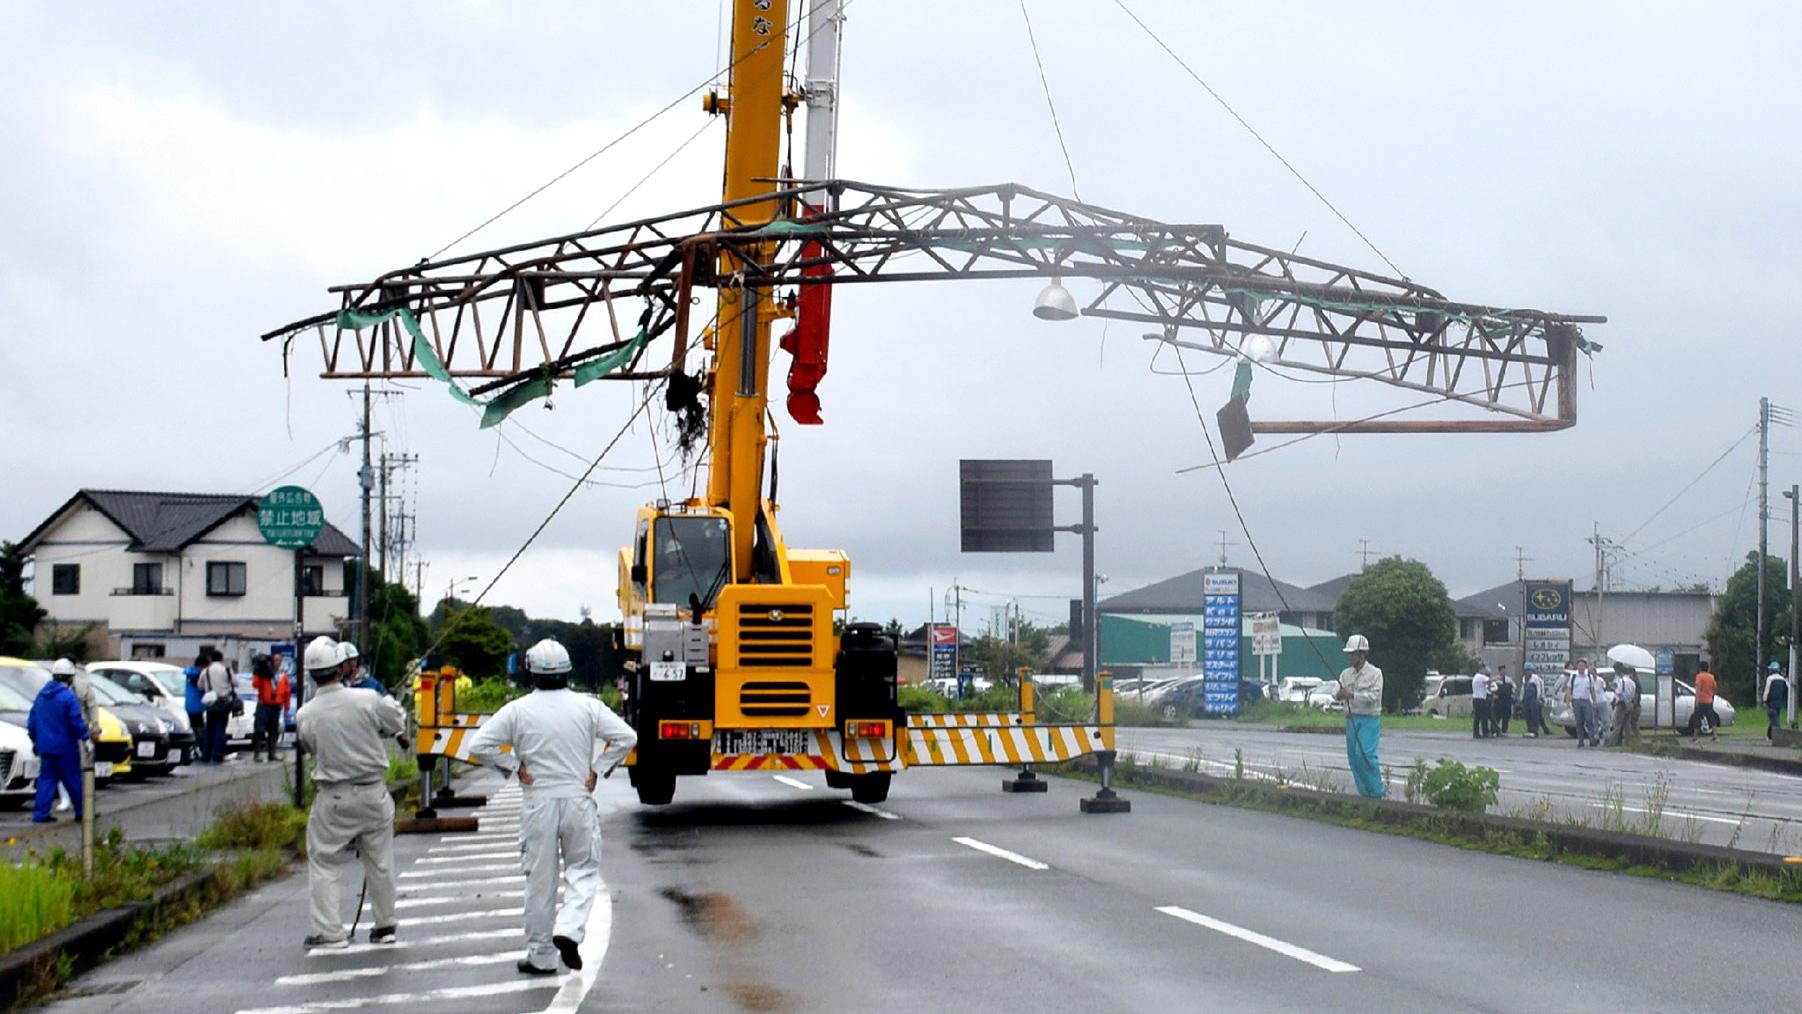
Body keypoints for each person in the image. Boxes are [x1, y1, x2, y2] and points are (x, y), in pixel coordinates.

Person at [468, 638, 638, 974]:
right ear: (568, 671)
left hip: (538, 801)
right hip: (577, 797)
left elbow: (479, 744)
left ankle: (541, 956)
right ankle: (569, 929)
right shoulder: (588, 707)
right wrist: (599, 769)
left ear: (531, 674)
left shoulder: (517, 710)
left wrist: (513, 764)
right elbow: (627, 737)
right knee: (583, 870)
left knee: (540, 881)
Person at [295, 635, 408, 949]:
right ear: (339, 667)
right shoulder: (368, 698)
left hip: (333, 797)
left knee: (324, 859)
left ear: (311, 674)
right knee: (381, 861)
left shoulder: (306, 714)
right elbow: (396, 720)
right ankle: (385, 926)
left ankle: (330, 932)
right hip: (373, 791)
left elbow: (309, 746)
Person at [27, 659, 91, 823]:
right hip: (65, 748)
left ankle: (40, 814)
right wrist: (86, 739)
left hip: (46, 747)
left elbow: (32, 723)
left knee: (46, 780)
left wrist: (35, 741)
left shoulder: (41, 696)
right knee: (74, 780)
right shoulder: (68, 698)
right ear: (69, 678)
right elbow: (76, 721)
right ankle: (82, 812)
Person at [1332, 634, 1384, 798]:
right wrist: (1341, 693)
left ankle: (1377, 793)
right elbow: (1335, 693)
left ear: (1362, 654)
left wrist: (1353, 694)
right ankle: (1365, 795)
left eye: (1352, 653)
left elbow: (1374, 697)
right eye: (1349, 653)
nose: (1350, 657)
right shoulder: (1345, 674)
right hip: (1351, 719)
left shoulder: (1376, 674)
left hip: (1369, 719)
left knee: (1365, 756)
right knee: (1353, 759)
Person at [251, 655, 291, 762]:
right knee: (259, 730)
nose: (277, 662)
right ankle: (257, 754)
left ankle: (272, 754)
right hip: (264, 704)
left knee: (273, 731)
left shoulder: (283, 676)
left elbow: (287, 693)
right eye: (275, 660)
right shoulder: (264, 673)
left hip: (276, 706)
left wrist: (287, 707)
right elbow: (255, 685)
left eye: (279, 660)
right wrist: (258, 673)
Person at [200, 649, 237, 762]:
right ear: (222, 658)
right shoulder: (226, 670)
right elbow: (236, 683)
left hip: (211, 702)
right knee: (220, 728)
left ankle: (206, 754)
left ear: (211, 659)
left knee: (209, 729)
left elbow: (200, 685)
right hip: (223, 702)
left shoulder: (205, 671)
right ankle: (217, 754)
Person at [1567, 658, 1602, 747]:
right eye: (1579, 666)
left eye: (1583, 666)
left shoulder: (1589, 678)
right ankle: (1580, 741)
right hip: (1576, 700)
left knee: (1589, 720)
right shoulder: (1573, 677)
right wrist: (1569, 698)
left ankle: (1591, 739)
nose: (1581, 668)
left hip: (1586, 701)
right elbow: (1569, 688)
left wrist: (1594, 701)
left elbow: (1592, 690)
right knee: (1579, 722)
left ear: (1585, 667)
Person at [1607, 663, 1639, 746]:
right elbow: (1633, 693)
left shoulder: (1622, 681)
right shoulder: (1632, 682)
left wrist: (1614, 689)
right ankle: (1627, 742)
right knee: (1627, 725)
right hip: (1629, 704)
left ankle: (1612, 742)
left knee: (1617, 724)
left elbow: (1619, 692)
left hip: (1621, 704)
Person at [1689, 664, 1721, 742]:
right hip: (1709, 701)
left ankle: (1695, 737)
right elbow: (1715, 689)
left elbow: (1698, 688)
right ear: (1708, 668)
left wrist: (1697, 700)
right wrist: (1712, 697)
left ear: (1700, 668)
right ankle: (1715, 736)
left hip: (1700, 701)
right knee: (1712, 719)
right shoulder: (1711, 677)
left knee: (1697, 719)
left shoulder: (1699, 676)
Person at [1764, 661, 1790, 741]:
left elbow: (1767, 690)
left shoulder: (1770, 679)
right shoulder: (1783, 679)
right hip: (1779, 702)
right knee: (1774, 717)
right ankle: (1770, 736)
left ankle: (1777, 735)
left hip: (1771, 702)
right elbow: (1788, 688)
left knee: (1774, 719)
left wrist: (1764, 700)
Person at [1521, 662, 1546, 738]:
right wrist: (1521, 698)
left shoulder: (1535, 678)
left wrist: (1538, 698)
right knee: (1527, 714)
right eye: (1527, 670)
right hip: (1526, 699)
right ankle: (1529, 729)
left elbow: (1538, 688)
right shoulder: (1524, 679)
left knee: (1534, 714)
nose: (1528, 672)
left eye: (1530, 670)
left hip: (1534, 699)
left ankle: (1535, 730)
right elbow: (1523, 689)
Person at [1470, 664, 1492, 739]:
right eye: (1483, 669)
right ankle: (1485, 732)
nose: (1484, 671)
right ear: (1480, 669)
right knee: (1484, 716)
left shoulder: (1475, 677)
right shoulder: (1480, 676)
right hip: (1480, 699)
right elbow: (1489, 680)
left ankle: (1476, 733)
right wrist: (1498, 677)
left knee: (1477, 717)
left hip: (1475, 698)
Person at [1493, 664, 1514, 736]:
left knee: (1506, 716)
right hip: (1499, 701)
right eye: (1502, 671)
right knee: (1497, 716)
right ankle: (1494, 730)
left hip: (1507, 700)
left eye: (1504, 670)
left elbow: (1514, 687)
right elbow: (1492, 688)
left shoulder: (1509, 679)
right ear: (1499, 671)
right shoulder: (1496, 680)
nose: (1504, 672)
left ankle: (1504, 730)